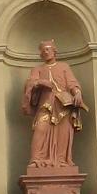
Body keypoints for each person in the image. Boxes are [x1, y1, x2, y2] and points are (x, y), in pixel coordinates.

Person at [21, 39, 84, 173]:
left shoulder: (64, 67)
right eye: (43, 50)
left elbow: (72, 83)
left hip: (63, 105)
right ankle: (36, 159)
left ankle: (61, 161)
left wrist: (77, 92)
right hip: (46, 104)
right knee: (40, 128)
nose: (45, 52)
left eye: (48, 49)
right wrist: (40, 82)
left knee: (63, 133)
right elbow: (30, 83)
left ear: (54, 51)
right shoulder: (37, 69)